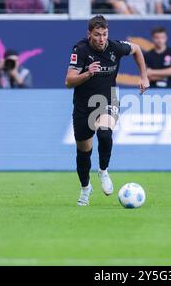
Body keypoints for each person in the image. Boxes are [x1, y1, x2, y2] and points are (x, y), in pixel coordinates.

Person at [65, 15, 149, 206]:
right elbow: (68, 81)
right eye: (97, 35)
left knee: (104, 134)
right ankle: (86, 188)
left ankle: (103, 170)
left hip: (107, 101)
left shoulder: (115, 47)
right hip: (83, 106)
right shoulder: (80, 50)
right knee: (83, 154)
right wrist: (88, 73)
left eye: (104, 34)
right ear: (89, 34)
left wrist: (144, 76)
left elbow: (136, 49)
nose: (102, 39)